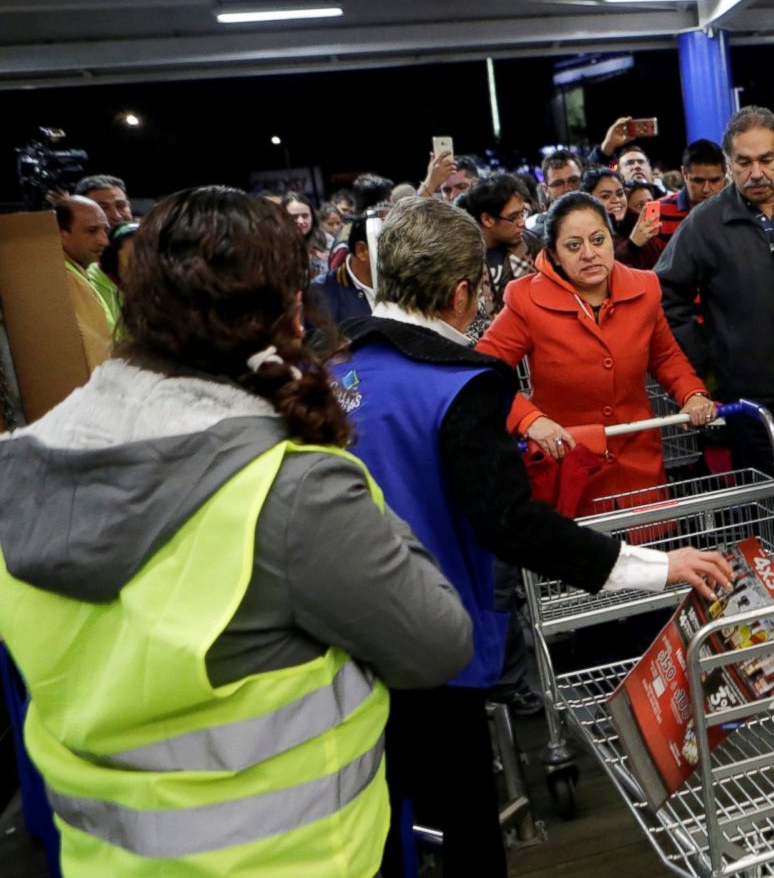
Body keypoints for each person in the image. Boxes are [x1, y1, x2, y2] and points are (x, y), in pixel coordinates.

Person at [0, 186, 473, 877]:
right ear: (288, 312)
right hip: (299, 858)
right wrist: (327, 448)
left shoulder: (20, 467)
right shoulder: (287, 486)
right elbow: (436, 643)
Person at [329, 195, 732, 878]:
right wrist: (659, 568)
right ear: (464, 293)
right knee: (464, 819)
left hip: (334, 649)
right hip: (433, 641)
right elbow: (512, 523)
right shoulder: (459, 387)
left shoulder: (327, 373)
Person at [657, 105, 774, 617]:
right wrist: (703, 359)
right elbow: (666, 293)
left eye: (766, 159)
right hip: (747, 393)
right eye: (743, 162)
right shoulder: (705, 223)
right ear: (729, 163)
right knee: (764, 497)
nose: (756, 172)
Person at [477, 192, 717, 511]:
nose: (589, 254)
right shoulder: (526, 300)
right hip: (569, 461)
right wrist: (529, 419)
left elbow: (664, 356)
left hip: (638, 461)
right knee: (582, 556)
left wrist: (693, 393)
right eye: (573, 246)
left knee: (651, 554)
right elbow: (482, 372)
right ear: (554, 254)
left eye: (598, 240)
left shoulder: (644, 288)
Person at [458, 172, 540, 337]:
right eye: (513, 217)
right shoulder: (460, 257)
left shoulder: (532, 245)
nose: (522, 222)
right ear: (487, 219)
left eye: (522, 213)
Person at [304, 205, 379, 341]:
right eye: (390, 247)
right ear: (362, 251)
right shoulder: (318, 293)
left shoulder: (403, 283)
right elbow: (317, 353)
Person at [57, 194, 120, 343]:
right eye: (92, 231)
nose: (103, 240)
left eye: (105, 230)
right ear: (61, 233)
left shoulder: (75, 271)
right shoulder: (65, 278)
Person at [583, 167, 663, 269]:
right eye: (605, 196)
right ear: (589, 200)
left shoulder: (636, 221)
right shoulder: (585, 231)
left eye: (620, 194)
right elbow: (604, 270)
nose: (616, 200)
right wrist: (632, 244)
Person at [282, 192, 327, 280]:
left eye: (305, 216)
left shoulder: (326, 242)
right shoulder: (275, 248)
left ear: (312, 217)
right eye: (294, 217)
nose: (301, 221)